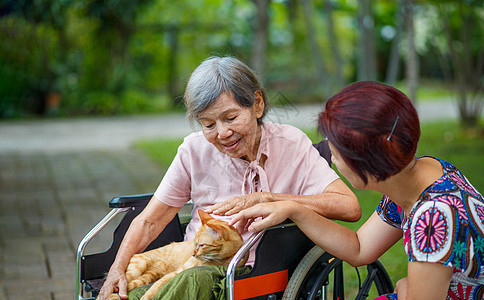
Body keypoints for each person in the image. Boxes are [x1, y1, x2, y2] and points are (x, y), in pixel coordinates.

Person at [97, 56, 360, 300]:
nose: (222, 133)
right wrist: (117, 268)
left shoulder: (290, 144)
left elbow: (348, 206)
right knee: (126, 293)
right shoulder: (193, 150)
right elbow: (149, 222)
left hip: (253, 272)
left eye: (231, 117)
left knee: (191, 282)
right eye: (208, 124)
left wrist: (270, 198)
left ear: (257, 104)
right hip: (194, 261)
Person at [230, 81, 484, 299]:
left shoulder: (433, 217)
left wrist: (406, 289)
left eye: (337, 154)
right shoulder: (420, 174)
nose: (333, 159)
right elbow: (361, 248)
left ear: (367, 163)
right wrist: (295, 209)